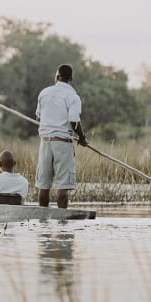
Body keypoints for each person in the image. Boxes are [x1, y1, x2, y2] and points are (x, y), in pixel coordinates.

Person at [35, 64, 88, 209]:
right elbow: (74, 121)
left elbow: (38, 117)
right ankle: (62, 226)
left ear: (57, 76)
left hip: (45, 143)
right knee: (63, 187)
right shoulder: (73, 97)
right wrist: (82, 137)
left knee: (43, 186)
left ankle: (42, 222)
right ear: (71, 78)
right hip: (63, 143)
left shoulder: (44, 92)